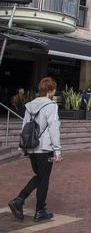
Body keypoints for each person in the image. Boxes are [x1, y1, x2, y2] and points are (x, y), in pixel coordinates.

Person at [8, 77, 61, 222]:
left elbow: (24, 127)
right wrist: (57, 150)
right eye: (54, 89)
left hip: (31, 148)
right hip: (44, 148)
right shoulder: (51, 106)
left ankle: (20, 200)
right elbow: (53, 128)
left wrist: (23, 147)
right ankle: (39, 209)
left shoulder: (29, 106)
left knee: (39, 177)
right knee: (43, 179)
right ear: (50, 91)